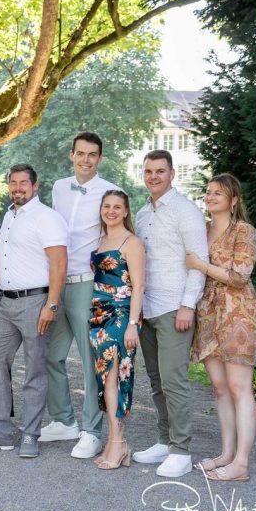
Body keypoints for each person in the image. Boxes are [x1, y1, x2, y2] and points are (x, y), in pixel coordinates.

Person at [0, 164, 67, 459]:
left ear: (36, 186)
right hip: (5, 302)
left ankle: (30, 434)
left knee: (34, 369)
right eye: (13, 183)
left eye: (24, 183)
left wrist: (51, 304)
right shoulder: (9, 216)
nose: (18, 188)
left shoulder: (47, 218)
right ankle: (1, 430)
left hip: (36, 301)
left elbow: (59, 263)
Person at [43, 132, 120, 459]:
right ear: (71, 155)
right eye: (81, 154)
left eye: (92, 155)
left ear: (99, 158)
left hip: (89, 282)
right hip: (58, 281)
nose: (86, 159)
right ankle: (63, 420)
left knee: (90, 362)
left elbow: (118, 237)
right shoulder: (59, 187)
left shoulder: (111, 192)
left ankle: (91, 430)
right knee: (51, 353)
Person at [132, 149, 208, 478]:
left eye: (160, 171)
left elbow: (197, 261)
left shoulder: (185, 211)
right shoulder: (141, 214)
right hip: (147, 307)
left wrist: (188, 305)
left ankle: (181, 449)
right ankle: (164, 441)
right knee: (156, 380)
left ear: (172, 174)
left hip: (174, 308)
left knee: (174, 380)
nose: (153, 177)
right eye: (148, 171)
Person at [186, 174, 256, 482]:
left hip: (237, 316)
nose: (211, 196)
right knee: (220, 389)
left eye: (218, 192)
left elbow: (239, 276)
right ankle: (227, 453)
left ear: (234, 200)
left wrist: (201, 265)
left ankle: (241, 464)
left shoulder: (244, 231)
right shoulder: (203, 231)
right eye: (208, 191)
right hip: (208, 315)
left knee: (239, 388)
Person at [89, 190, 145, 470]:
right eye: (106, 206)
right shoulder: (100, 241)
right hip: (98, 315)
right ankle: (118, 442)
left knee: (115, 379)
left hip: (121, 315)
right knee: (105, 379)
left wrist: (133, 325)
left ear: (126, 211)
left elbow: (139, 286)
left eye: (117, 207)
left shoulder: (131, 242)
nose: (111, 211)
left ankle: (117, 442)